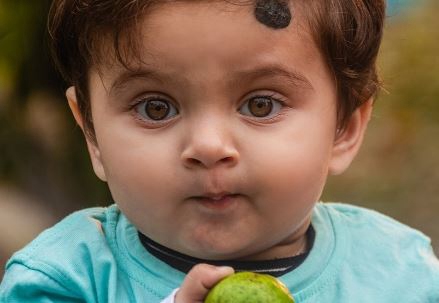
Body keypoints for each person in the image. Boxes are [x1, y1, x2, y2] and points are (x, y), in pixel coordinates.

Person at [1, 0, 438, 302]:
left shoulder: (401, 274)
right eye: (156, 108)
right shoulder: (66, 279)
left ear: (344, 128)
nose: (209, 147)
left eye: (261, 104)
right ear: (91, 133)